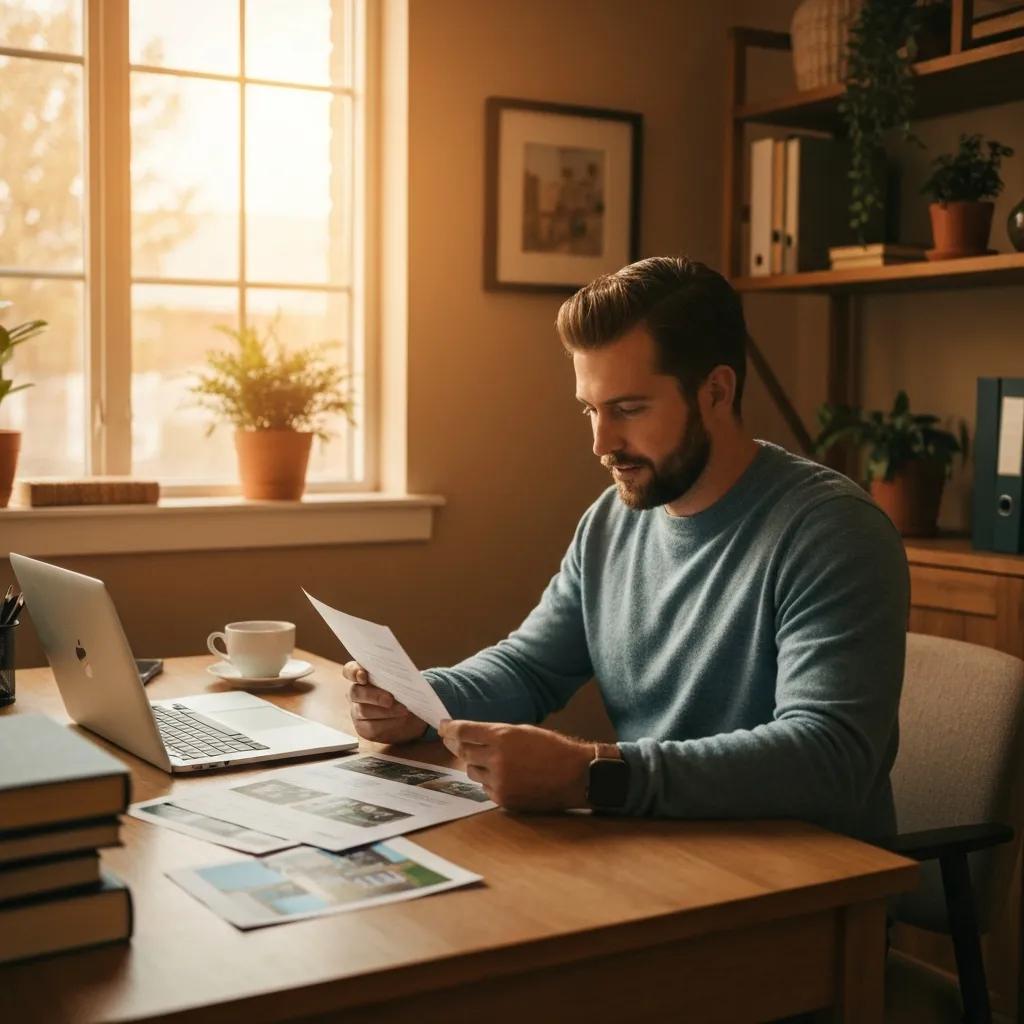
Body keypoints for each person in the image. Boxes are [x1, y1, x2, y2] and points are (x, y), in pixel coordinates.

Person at [343, 256, 909, 840]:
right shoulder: (611, 521)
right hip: (660, 846)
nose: (601, 442)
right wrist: (421, 702)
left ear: (716, 392)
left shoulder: (832, 531)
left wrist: (592, 775)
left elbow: (830, 756)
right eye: (591, 409)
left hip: (808, 873)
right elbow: (530, 668)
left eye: (629, 409)